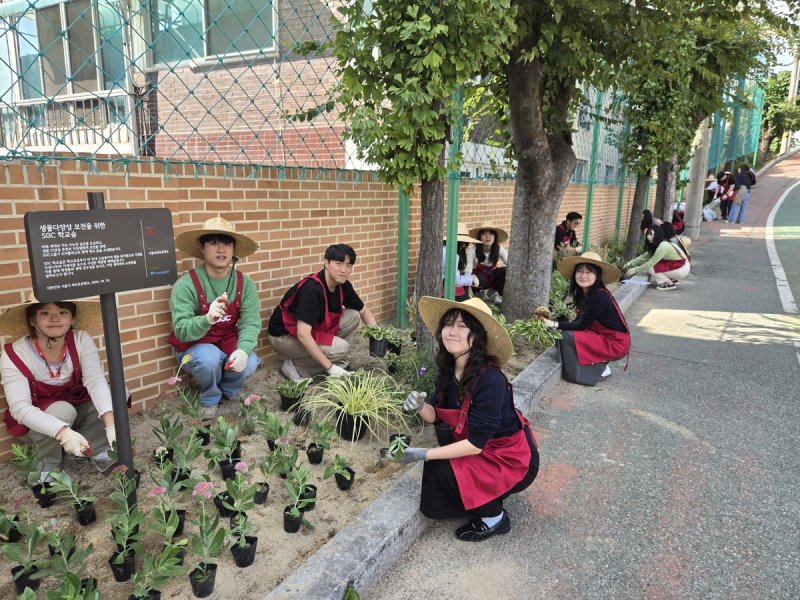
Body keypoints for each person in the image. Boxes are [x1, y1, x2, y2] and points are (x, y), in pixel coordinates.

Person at [392, 296, 539, 541]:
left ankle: (495, 519)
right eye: (448, 324)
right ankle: (483, 497)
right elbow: (439, 416)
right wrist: (420, 406)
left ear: (477, 335)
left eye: (462, 326)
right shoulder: (449, 370)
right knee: (438, 468)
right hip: (483, 449)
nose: (452, 331)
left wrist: (421, 454)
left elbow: (475, 444)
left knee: (440, 468)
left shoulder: (490, 380)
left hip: (511, 459)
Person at [0, 294, 117, 478]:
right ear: (32, 319)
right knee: (62, 411)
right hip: (39, 418)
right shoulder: (16, 353)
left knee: (116, 393)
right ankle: (48, 465)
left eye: (63, 312)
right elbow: (19, 407)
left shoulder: (80, 340)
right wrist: (63, 433)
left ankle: (92, 446)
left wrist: (111, 427)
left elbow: (95, 380)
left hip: (77, 404)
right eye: (45, 313)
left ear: (72, 318)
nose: (55, 319)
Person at [169, 217, 261, 420]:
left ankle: (228, 390)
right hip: (195, 343)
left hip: (228, 338)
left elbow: (250, 322)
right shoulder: (185, 285)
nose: (221, 249)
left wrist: (243, 350)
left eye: (227, 243)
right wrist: (207, 318)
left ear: (234, 249)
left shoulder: (245, 284)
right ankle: (209, 398)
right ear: (202, 249)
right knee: (208, 359)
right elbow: (181, 329)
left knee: (251, 361)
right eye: (213, 242)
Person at [268, 243, 377, 382]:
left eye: (348, 265)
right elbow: (303, 334)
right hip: (284, 337)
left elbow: (363, 311)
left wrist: (378, 338)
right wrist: (330, 367)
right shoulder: (312, 290)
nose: (344, 270)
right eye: (338, 264)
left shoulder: (343, 285)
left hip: (309, 330)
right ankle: (295, 367)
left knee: (354, 316)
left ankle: (323, 357)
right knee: (341, 349)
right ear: (326, 262)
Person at [539, 252, 630, 386]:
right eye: (580, 271)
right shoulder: (588, 293)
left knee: (566, 336)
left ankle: (599, 369)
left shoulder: (599, 296)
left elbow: (581, 326)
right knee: (565, 333)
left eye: (589, 272)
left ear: (597, 275)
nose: (583, 276)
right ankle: (598, 363)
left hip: (615, 344)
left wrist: (553, 324)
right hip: (606, 338)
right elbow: (581, 322)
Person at [623, 226, 690, 291]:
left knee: (650, 267)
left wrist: (634, 270)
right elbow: (644, 257)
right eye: (647, 234)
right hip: (678, 265)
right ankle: (671, 279)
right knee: (652, 265)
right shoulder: (659, 243)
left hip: (682, 268)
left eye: (651, 235)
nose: (648, 237)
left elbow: (650, 263)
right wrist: (629, 264)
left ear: (657, 235)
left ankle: (669, 284)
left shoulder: (663, 246)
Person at [468, 221, 509, 304]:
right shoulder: (472, 250)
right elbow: (467, 273)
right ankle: (478, 296)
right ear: (480, 237)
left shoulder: (499, 248)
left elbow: (510, 263)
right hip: (476, 282)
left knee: (504, 271)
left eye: (491, 234)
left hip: (491, 280)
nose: (488, 237)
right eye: (484, 234)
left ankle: (495, 295)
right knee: (479, 278)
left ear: (495, 236)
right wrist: (470, 296)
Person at [441, 223, 480, 302]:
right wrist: (472, 278)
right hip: (442, 292)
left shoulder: (442, 249)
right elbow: (455, 281)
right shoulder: (453, 255)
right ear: (462, 244)